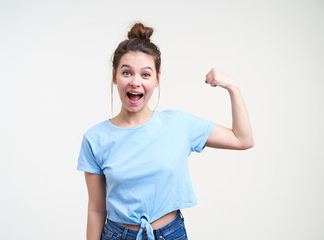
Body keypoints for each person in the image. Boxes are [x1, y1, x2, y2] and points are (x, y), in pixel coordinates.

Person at [77, 22, 254, 240]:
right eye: (126, 73)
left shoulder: (179, 124)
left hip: (171, 234)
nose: (135, 82)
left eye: (145, 74)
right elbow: (96, 209)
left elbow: (242, 139)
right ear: (114, 76)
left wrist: (233, 88)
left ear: (157, 79)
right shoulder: (95, 138)